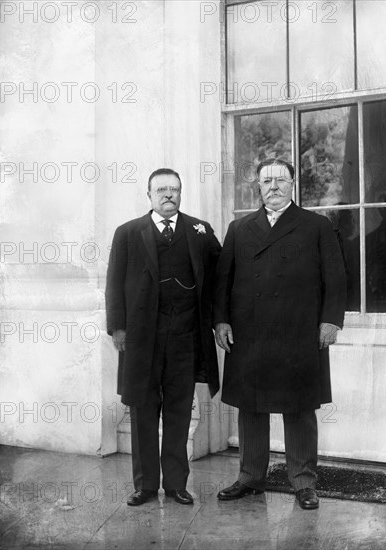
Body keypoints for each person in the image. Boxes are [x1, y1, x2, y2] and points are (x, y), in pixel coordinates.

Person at [214, 159, 346, 510]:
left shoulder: (317, 226)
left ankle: (303, 483)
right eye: (266, 180)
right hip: (249, 332)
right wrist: (221, 321)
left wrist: (331, 321)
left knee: (299, 407)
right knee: (250, 406)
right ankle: (250, 477)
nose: (273, 186)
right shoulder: (239, 228)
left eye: (280, 180)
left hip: (299, 331)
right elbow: (222, 281)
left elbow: (336, 278)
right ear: (258, 186)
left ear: (293, 184)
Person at [105, 168, 221, 506]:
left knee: (179, 411)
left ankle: (175, 485)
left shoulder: (199, 231)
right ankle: (144, 486)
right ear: (149, 194)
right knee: (142, 410)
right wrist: (119, 328)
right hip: (142, 339)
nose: (168, 195)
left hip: (185, 338)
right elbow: (114, 283)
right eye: (161, 190)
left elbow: (219, 276)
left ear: (181, 193)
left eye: (174, 189)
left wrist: (218, 320)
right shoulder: (128, 233)